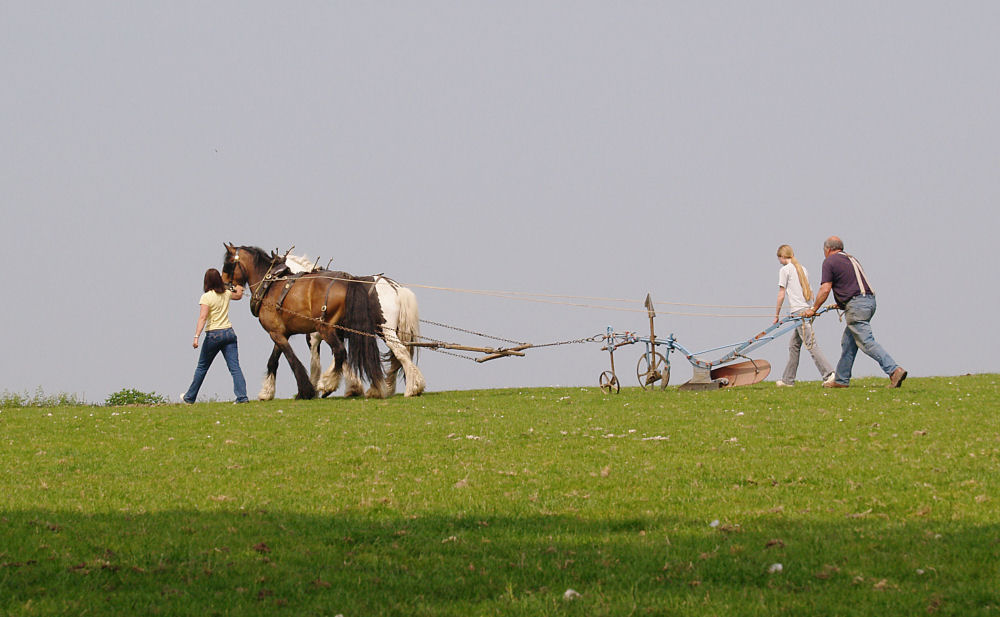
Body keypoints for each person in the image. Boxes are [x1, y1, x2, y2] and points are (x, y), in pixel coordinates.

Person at [804, 237, 906, 388]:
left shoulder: (829, 261)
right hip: (869, 302)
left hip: (856, 305)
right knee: (848, 342)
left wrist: (813, 309)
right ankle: (841, 380)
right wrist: (841, 303)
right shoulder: (851, 259)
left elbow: (825, 289)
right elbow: (851, 283)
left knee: (866, 341)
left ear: (828, 249)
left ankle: (894, 370)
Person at [182, 268, 249, 403]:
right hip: (229, 333)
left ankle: (189, 397)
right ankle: (242, 397)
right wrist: (239, 283)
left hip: (214, 334)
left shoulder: (206, 297)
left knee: (202, 367)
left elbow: (203, 317)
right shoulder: (226, 293)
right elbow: (239, 295)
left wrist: (196, 337)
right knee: (235, 367)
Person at [773, 244, 835, 387]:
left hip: (798, 312)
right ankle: (788, 380)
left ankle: (829, 374)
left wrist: (776, 315)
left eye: (779, 258)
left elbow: (781, 294)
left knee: (810, 344)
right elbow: (811, 292)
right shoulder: (803, 269)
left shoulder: (785, 270)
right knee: (794, 345)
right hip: (807, 310)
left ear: (782, 257)